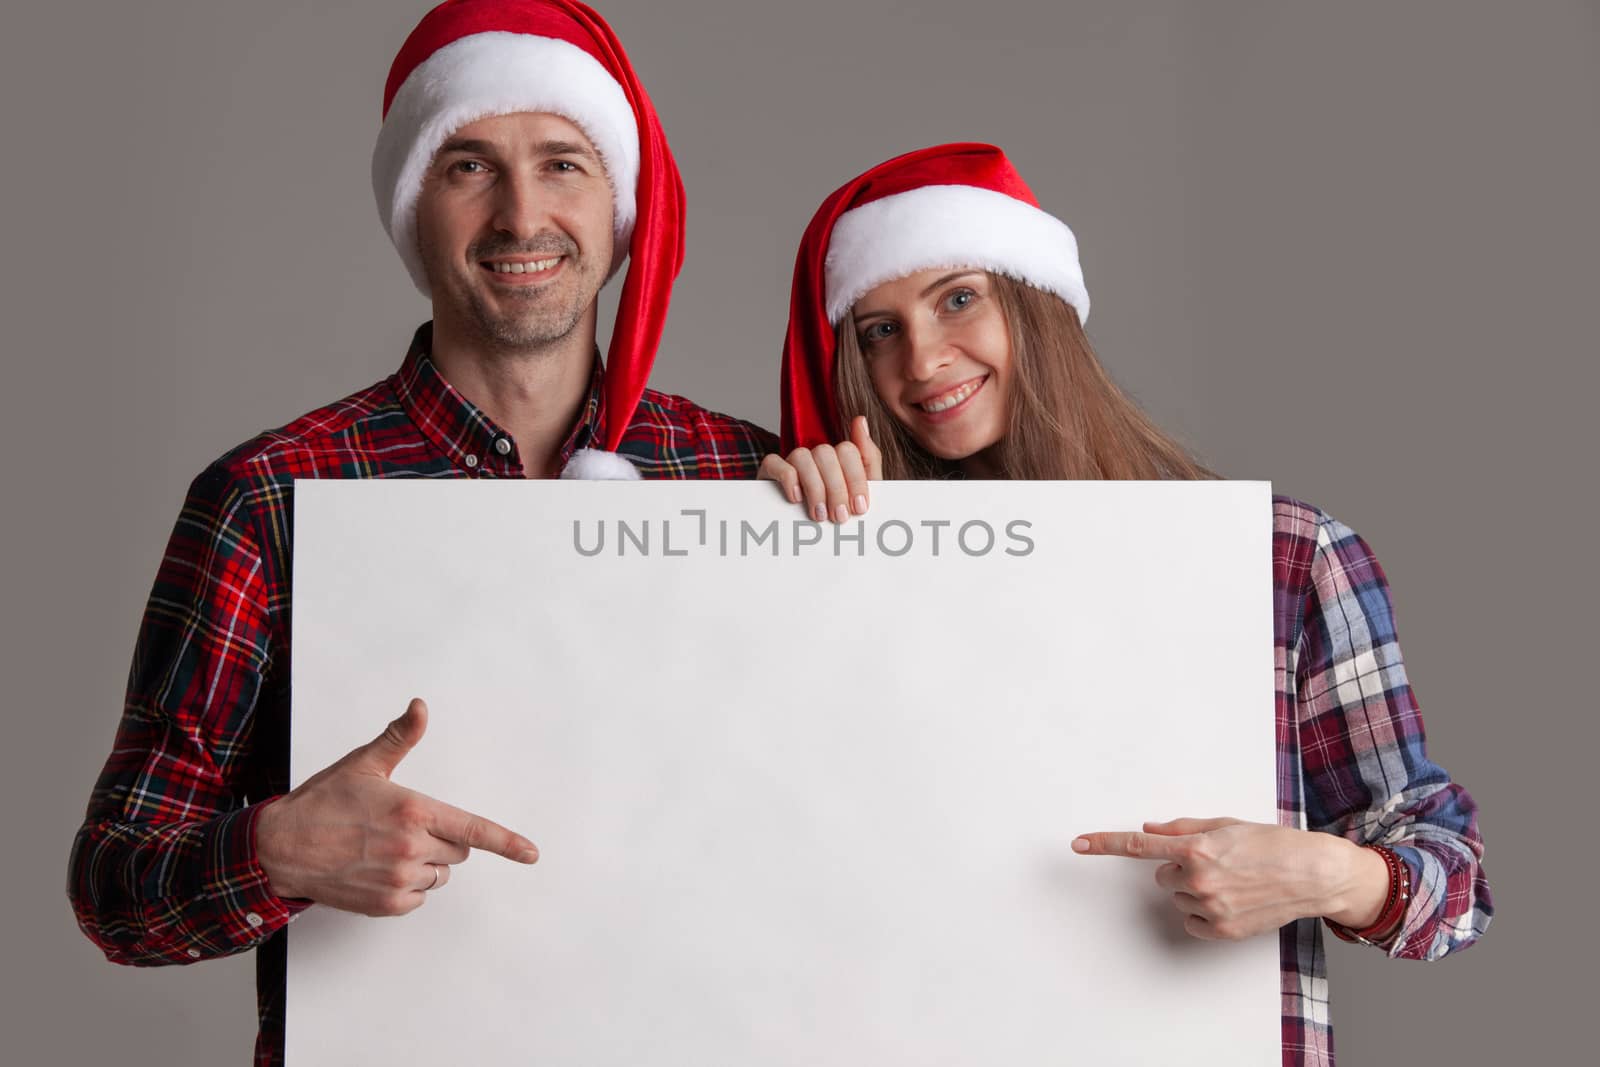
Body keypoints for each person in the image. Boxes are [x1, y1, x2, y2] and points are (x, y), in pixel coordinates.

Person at [66, 2, 775, 1064]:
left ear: (621, 204)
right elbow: (114, 887)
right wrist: (274, 851)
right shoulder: (270, 495)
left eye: (564, 164)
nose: (521, 214)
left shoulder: (748, 477)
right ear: (412, 208)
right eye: (468, 166)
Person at [762, 142, 1492, 1065]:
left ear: (1035, 299)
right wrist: (784, 543)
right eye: (878, 329)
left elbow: (1453, 884)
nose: (923, 357)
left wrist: (1326, 871)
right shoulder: (847, 578)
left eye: (958, 298)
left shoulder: (1284, 558)